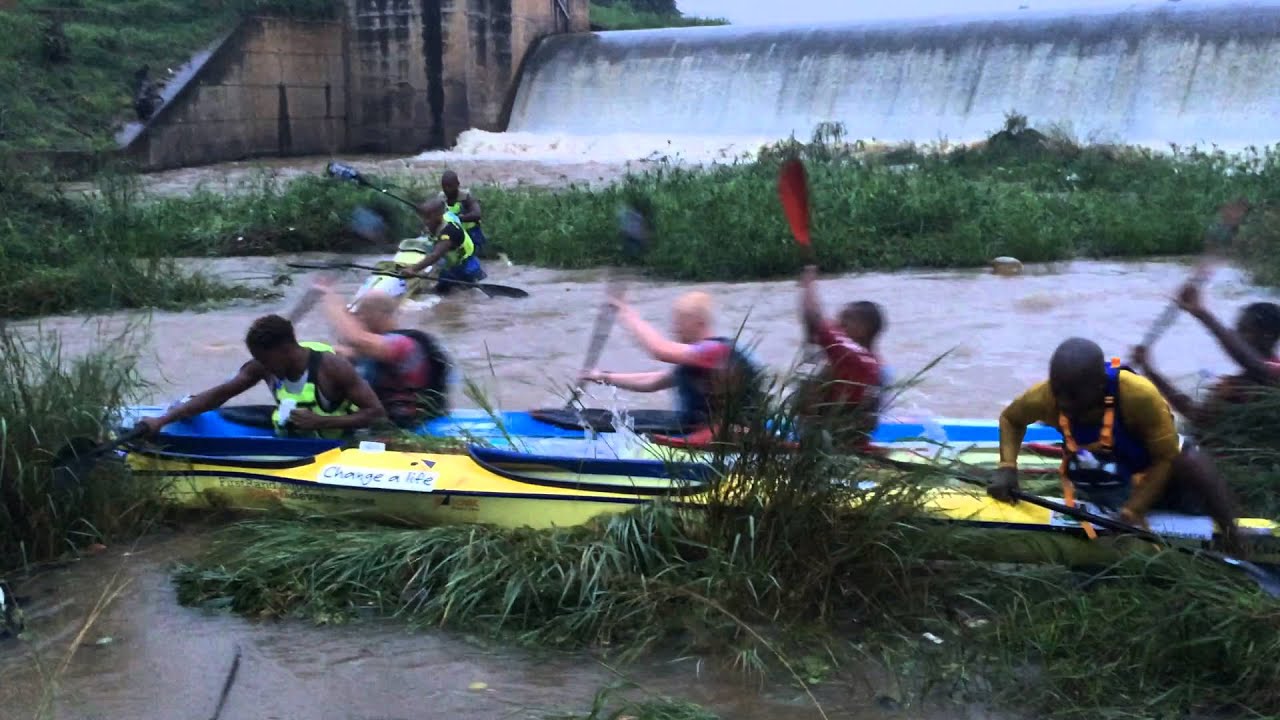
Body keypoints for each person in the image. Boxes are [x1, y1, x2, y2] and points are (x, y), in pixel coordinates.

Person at [989, 337, 1239, 547]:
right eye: (1058, 392)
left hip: (1156, 483)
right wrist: (1007, 467)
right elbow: (1011, 419)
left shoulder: (1138, 395)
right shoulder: (1045, 396)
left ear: (1100, 385)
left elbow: (1166, 458)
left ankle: (1234, 536)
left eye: (1074, 396)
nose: (1064, 402)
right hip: (1107, 485)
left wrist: (1134, 511)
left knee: (1191, 458)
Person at [135, 314, 385, 438]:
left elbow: (375, 413)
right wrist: (163, 420)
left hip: (337, 443)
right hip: (291, 440)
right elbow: (220, 394)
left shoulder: (332, 367)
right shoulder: (263, 365)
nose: (261, 364)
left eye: (265, 358)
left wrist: (321, 422)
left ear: (286, 350)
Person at [580, 292, 762, 435]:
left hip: (730, 434)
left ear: (699, 323)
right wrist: (603, 377)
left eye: (680, 323)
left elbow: (658, 350)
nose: (675, 329)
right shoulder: (696, 358)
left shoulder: (715, 351)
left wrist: (628, 315)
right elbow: (652, 382)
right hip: (698, 429)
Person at [1134, 281, 1280, 427]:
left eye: (1244, 331)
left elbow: (1255, 365)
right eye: (1237, 330)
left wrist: (1202, 314)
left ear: (1267, 335)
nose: (1236, 336)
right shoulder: (1237, 383)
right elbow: (1197, 418)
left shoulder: (1273, 377)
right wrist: (1150, 371)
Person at [317, 280, 452, 427]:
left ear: (378, 315)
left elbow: (357, 339)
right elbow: (343, 351)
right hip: (388, 419)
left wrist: (328, 296)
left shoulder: (403, 345)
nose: (357, 320)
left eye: (361, 314)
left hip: (409, 423)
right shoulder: (377, 348)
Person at [795, 265, 888, 447]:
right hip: (838, 440)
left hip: (834, 446)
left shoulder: (854, 358)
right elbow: (813, 332)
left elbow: (814, 319)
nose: (837, 324)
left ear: (863, 329)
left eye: (845, 319)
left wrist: (809, 282)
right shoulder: (870, 362)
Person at [405, 198, 486, 295]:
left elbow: (435, 256)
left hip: (464, 269)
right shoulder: (446, 217)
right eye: (424, 217)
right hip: (452, 265)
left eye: (428, 218)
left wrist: (413, 269)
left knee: (451, 295)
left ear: (438, 216)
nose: (425, 222)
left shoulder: (449, 233)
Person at [438, 170, 488, 254]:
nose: (447, 189)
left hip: (472, 234)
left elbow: (477, 214)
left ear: (457, 184)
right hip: (453, 235)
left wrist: (457, 218)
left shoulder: (466, 197)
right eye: (444, 186)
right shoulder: (441, 198)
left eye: (450, 186)